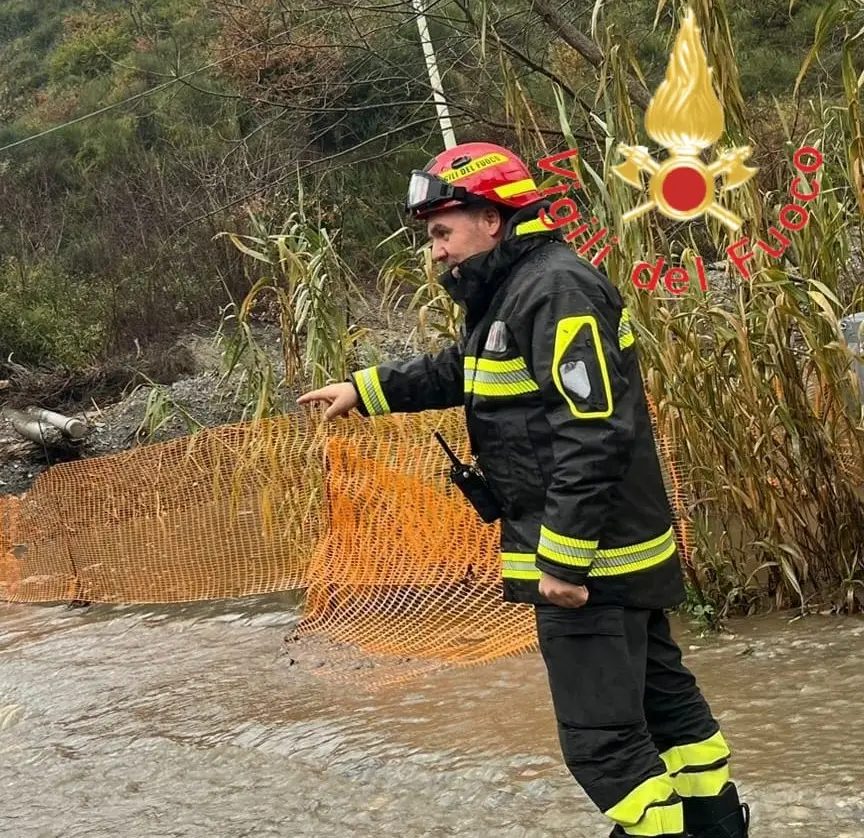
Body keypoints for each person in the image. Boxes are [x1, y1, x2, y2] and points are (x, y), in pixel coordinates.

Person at [298, 141, 748, 838]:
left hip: (591, 565)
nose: (437, 251)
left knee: (604, 747)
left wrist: (563, 562)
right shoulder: (518, 290)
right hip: (615, 556)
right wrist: (367, 389)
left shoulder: (555, 289)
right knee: (667, 713)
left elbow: (594, 433)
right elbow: (469, 366)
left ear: (494, 219)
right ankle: (719, 829)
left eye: (444, 232)